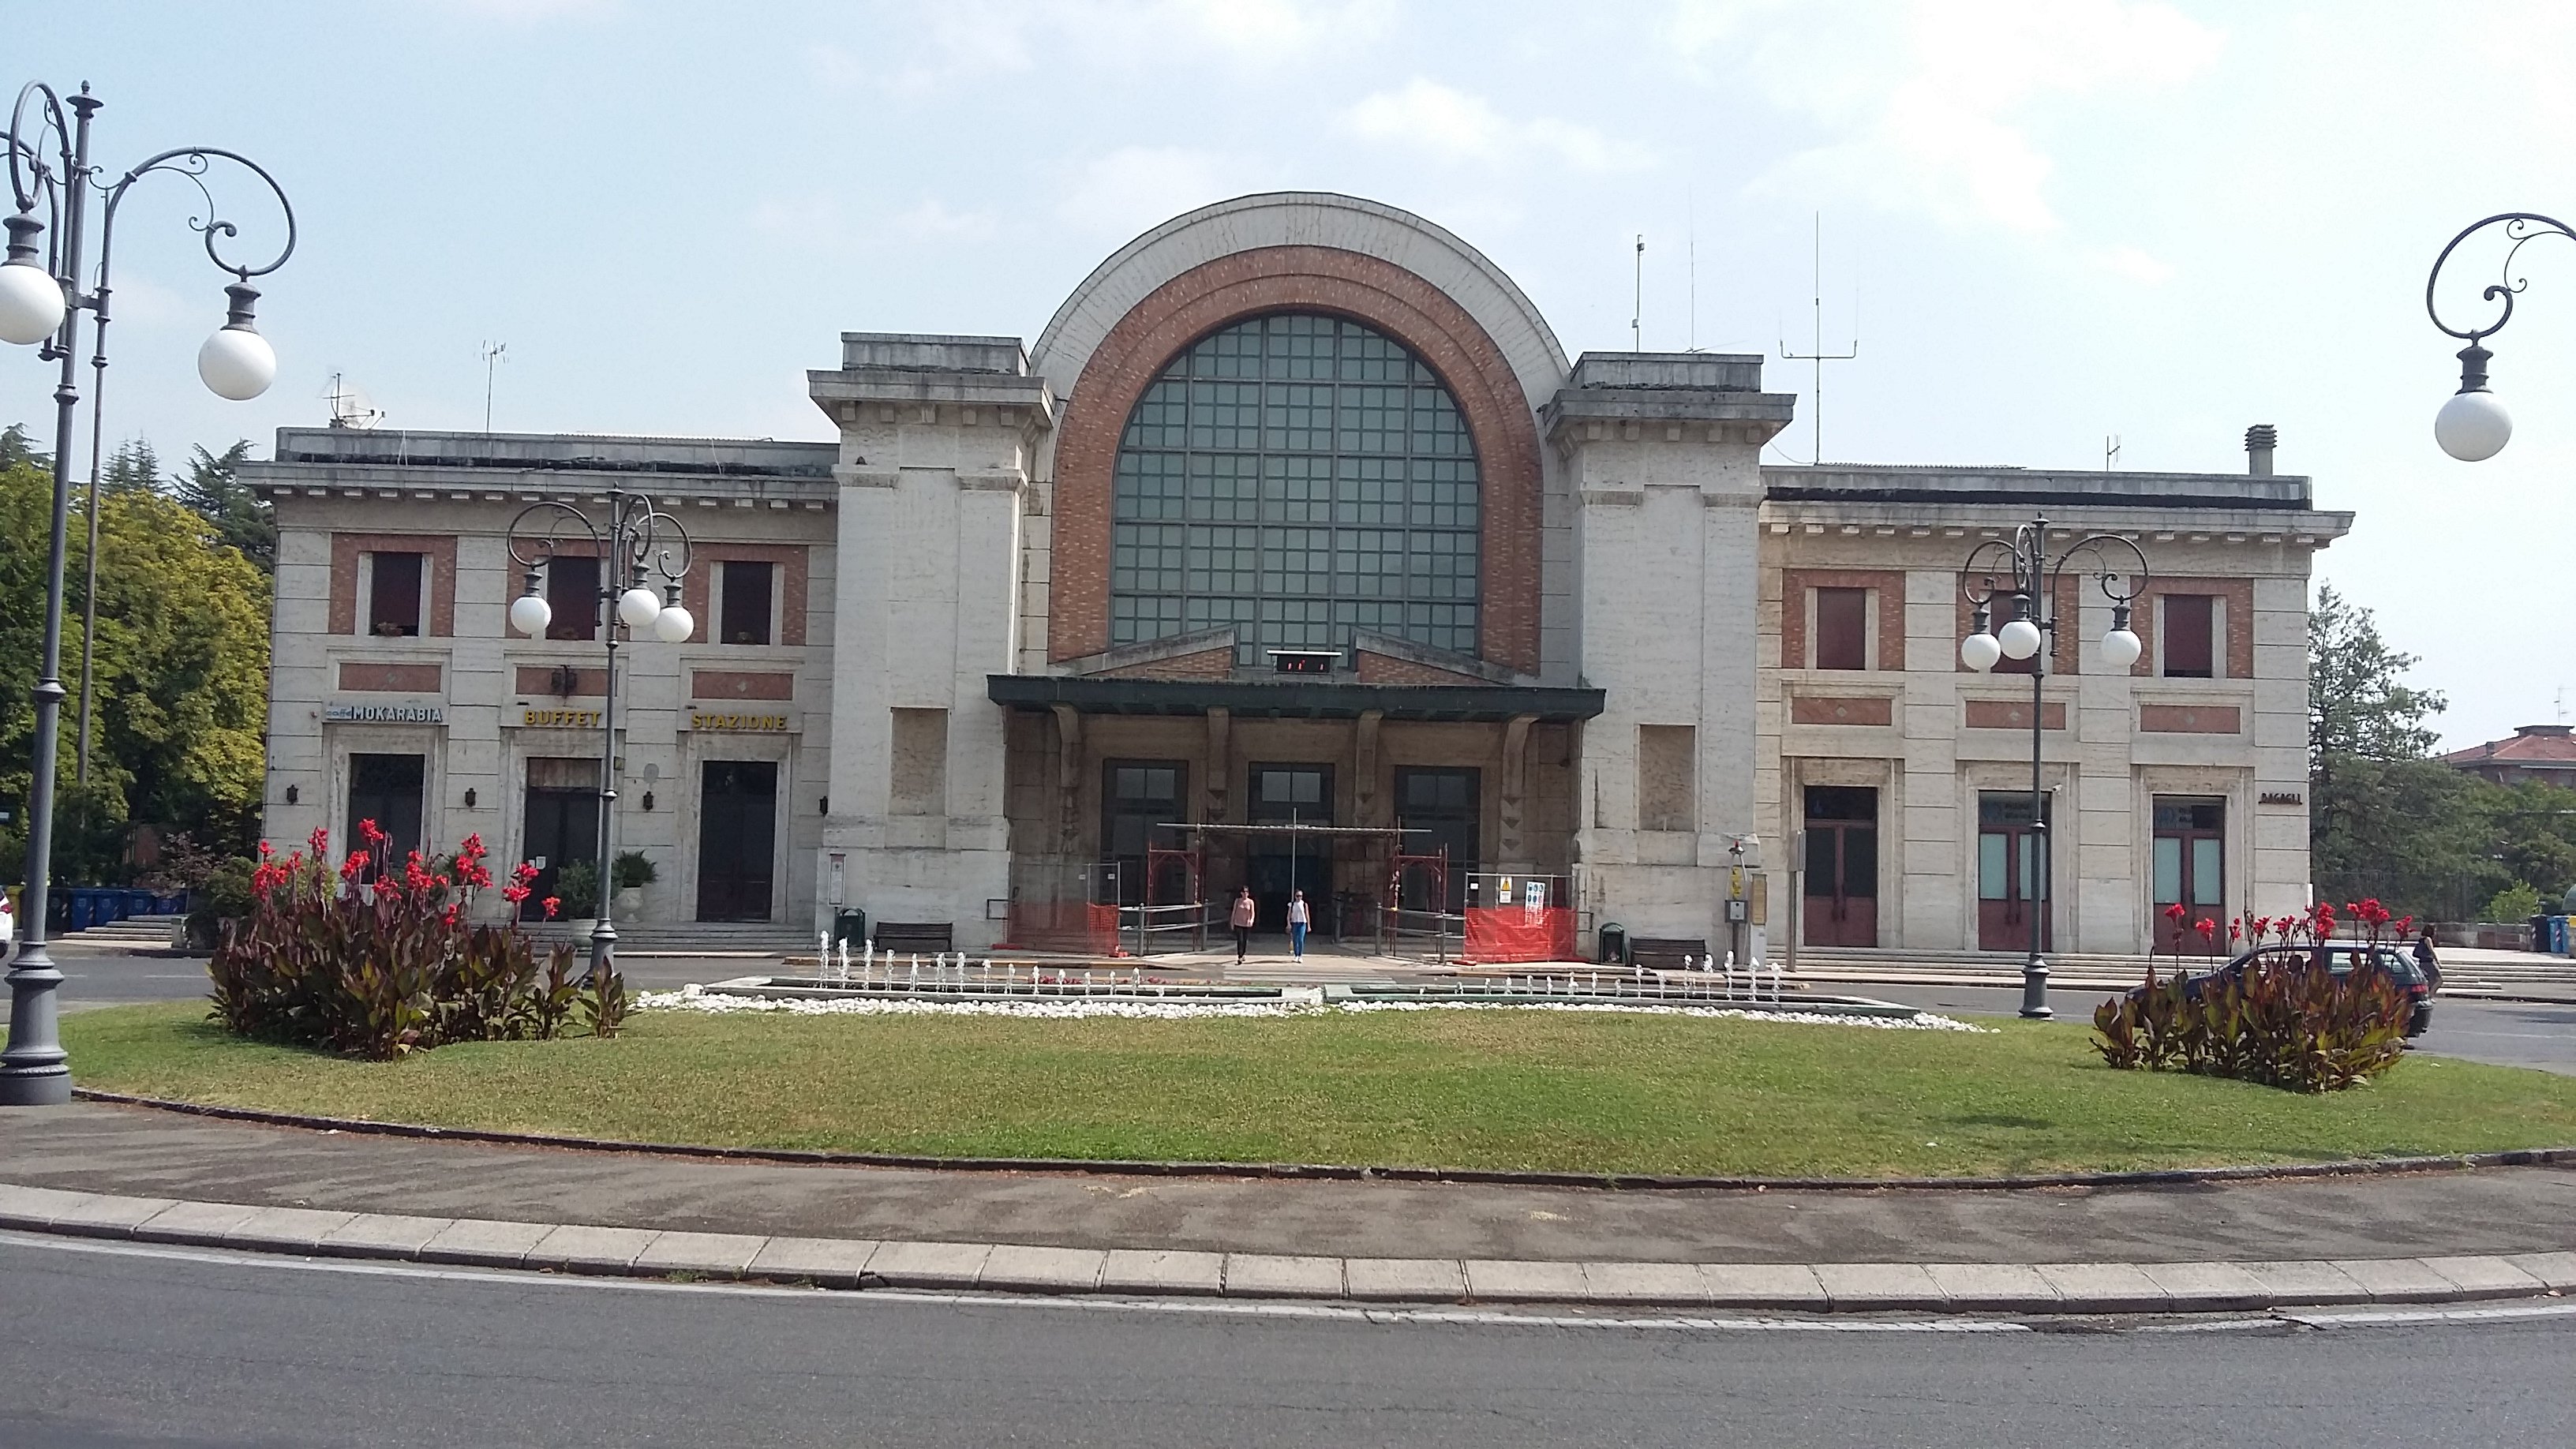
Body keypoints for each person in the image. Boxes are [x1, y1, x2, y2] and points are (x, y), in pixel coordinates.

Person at [1230, 886, 1256, 963]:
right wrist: (1232, 922)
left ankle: (1243, 953)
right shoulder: (1237, 901)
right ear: (1241, 893)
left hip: (1246, 923)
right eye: (1244, 892)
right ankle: (1240, 955)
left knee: (1245, 940)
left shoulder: (1251, 902)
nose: (1245, 894)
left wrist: (1251, 920)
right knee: (1239, 940)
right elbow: (1234, 911)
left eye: (1247, 892)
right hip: (1238, 922)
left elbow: (1252, 912)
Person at [2414, 930, 2443, 994]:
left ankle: (2428, 995)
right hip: (2429, 963)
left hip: (2422, 962)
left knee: (2430, 981)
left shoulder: (2421, 940)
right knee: (2439, 980)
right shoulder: (2428, 939)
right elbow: (2432, 950)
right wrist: (2438, 962)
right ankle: (2430, 996)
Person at [1287, 889, 1311, 959]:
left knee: (1301, 939)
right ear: (1295, 896)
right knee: (1295, 939)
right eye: (1297, 896)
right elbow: (1289, 915)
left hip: (1302, 923)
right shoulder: (1291, 904)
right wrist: (1288, 923)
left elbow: (1307, 915)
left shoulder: (1304, 904)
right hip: (1294, 923)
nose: (1299, 898)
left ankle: (1300, 955)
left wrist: (1309, 925)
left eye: (1300, 896)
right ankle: (1296, 954)